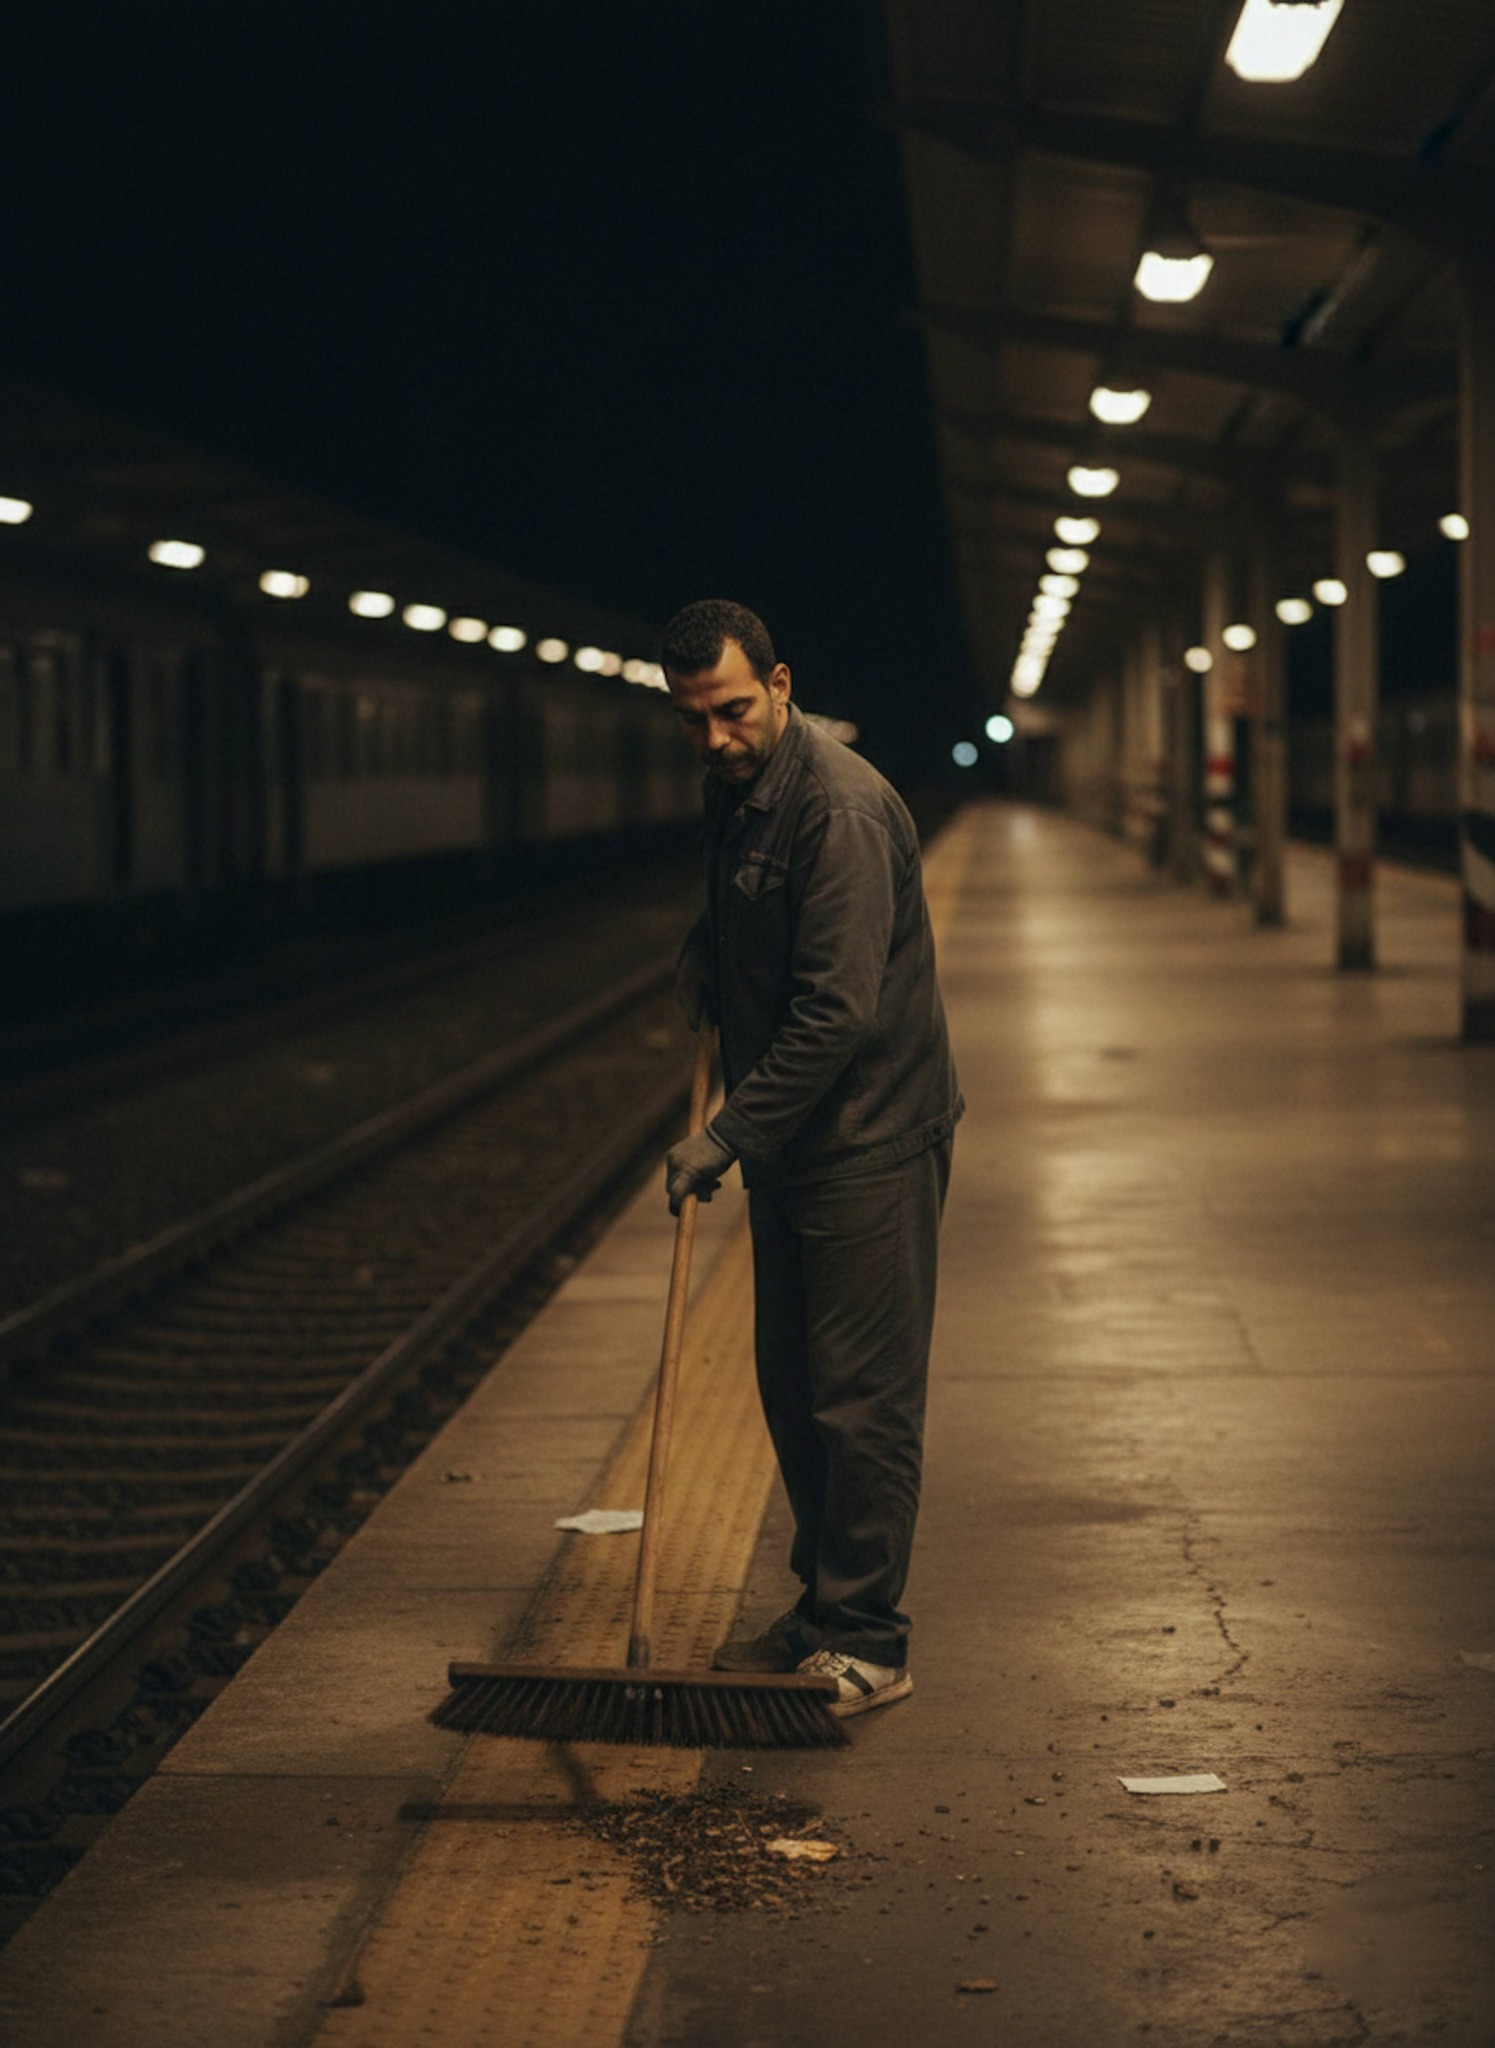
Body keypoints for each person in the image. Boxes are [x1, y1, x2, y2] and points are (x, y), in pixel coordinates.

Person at [661, 598, 961, 1718]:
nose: (715, 739)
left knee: (860, 1402)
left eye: (733, 711)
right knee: (791, 1388)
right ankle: (822, 1606)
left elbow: (834, 1013)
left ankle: (869, 1639)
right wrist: (706, 949)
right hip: (803, 1146)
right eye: (691, 721)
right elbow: (742, 908)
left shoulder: (835, 808)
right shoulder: (737, 787)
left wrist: (725, 1136)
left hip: (870, 1139)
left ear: (780, 684)